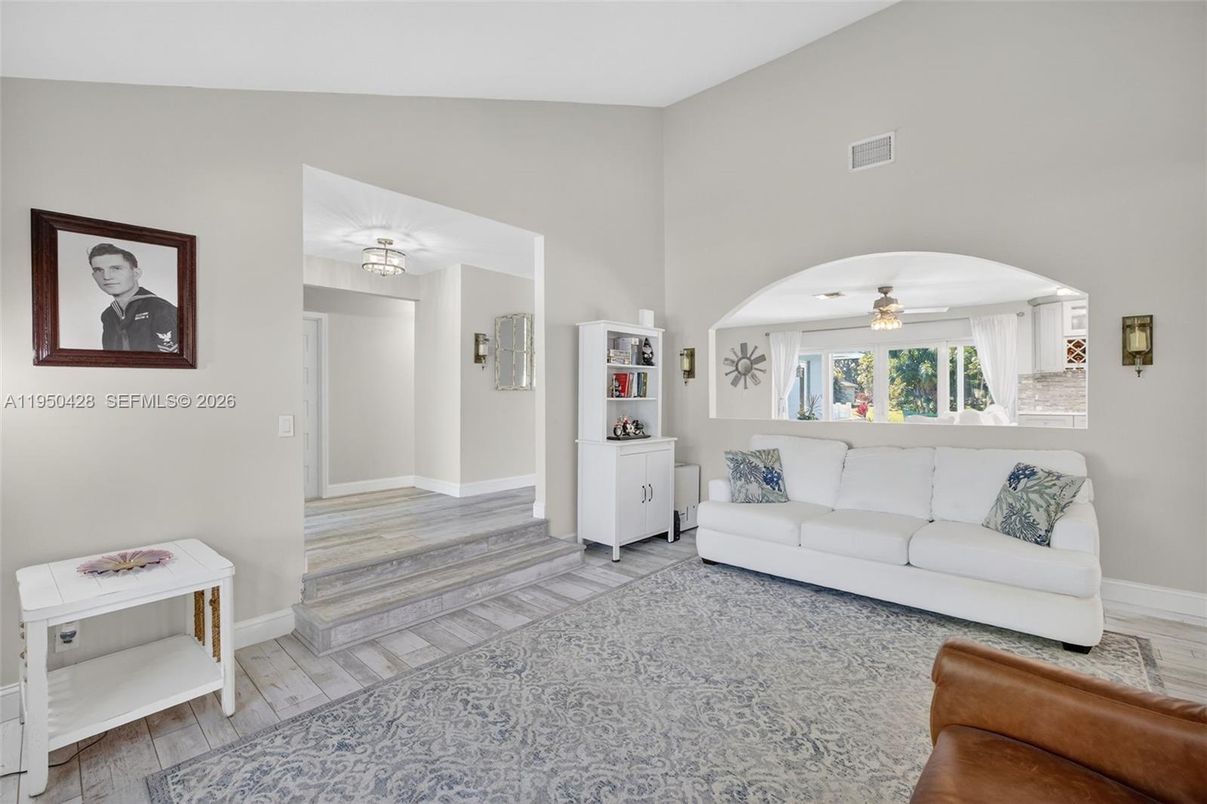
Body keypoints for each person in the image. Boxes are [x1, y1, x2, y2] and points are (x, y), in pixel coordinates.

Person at [88, 243, 178, 352]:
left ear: (136, 273)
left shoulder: (161, 309)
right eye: (98, 270)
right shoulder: (108, 315)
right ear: (93, 277)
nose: (106, 277)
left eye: (116, 268)